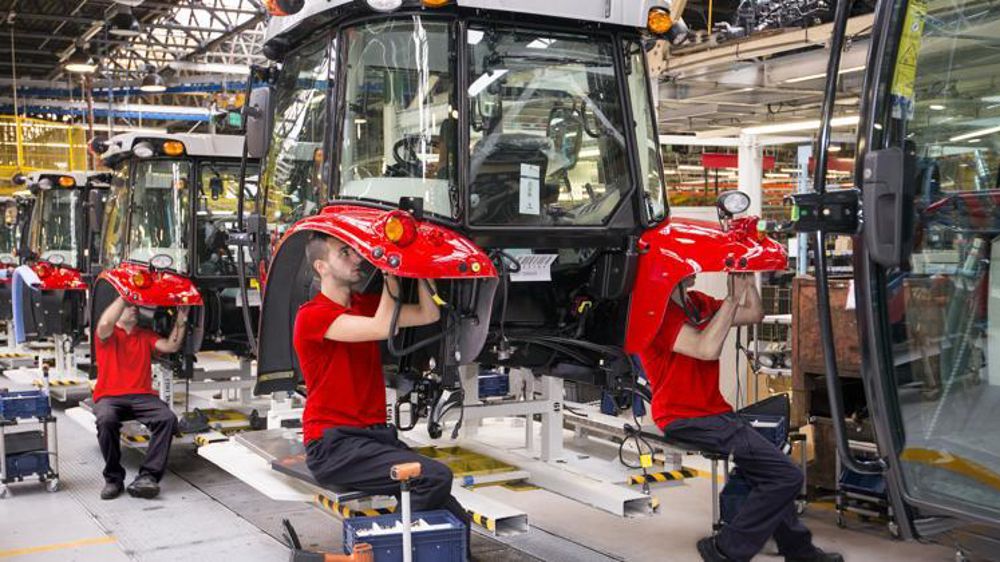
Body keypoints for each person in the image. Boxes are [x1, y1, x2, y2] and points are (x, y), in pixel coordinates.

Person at [641, 273, 842, 562]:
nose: (696, 266)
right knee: (787, 475)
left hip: (714, 413)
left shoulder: (697, 302)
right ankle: (725, 549)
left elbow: (754, 314)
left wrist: (747, 281)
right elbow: (705, 348)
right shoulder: (656, 314)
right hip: (684, 416)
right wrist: (732, 298)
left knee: (769, 473)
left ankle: (799, 552)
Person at [294, 233, 472, 543]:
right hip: (334, 445)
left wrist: (417, 265)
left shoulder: (365, 305)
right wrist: (391, 266)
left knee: (456, 520)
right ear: (322, 266)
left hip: (374, 439)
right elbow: (380, 326)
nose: (357, 258)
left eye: (355, 252)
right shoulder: (311, 316)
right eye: (345, 253)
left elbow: (428, 314)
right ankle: (379, 547)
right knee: (434, 479)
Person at [93, 296, 189, 500]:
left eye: (136, 305)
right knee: (106, 419)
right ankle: (113, 479)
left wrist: (181, 318)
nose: (134, 308)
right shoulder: (107, 335)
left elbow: (171, 347)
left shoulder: (145, 335)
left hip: (142, 396)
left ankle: (147, 477)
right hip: (110, 396)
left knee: (167, 418)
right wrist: (124, 294)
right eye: (129, 306)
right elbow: (105, 322)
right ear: (118, 311)